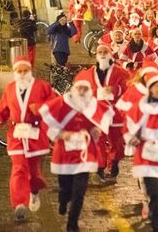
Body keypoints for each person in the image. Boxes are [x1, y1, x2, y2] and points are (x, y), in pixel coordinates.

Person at [39, 76, 114, 232]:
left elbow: (98, 122)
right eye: (79, 88)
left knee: (79, 192)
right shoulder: (61, 103)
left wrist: (95, 131)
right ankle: (63, 200)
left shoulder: (92, 106)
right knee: (65, 187)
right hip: (65, 153)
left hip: (84, 154)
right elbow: (46, 120)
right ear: (74, 89)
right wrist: (59, 134)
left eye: (85, 89)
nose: (82, 92)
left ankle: (72, 224)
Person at [0, 56, 57, 220]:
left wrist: (40, 108)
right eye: (18, 71)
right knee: (19, 169)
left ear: (30, 71)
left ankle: (34, 191)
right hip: (16, 135)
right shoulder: (10, 89)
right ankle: (19, 204)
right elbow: (2, 109)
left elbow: (55, 104)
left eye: (24, 70)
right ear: (14, 72)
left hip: (35, 134)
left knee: (34, 173)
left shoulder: (42, 87)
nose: (22, 74)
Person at [123, 72, 158, 232]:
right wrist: (132, 138)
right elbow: (128, 126)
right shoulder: (140, 107)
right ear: (150, 88)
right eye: (157, 85)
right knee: (154, 195)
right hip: (146, 158)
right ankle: (157, 227)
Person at [76, 44, 129, 182]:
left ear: (110, 54)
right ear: (96, 55)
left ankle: (113, 168)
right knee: (97, 141)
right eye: (100, 51)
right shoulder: (88, 74)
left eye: (105, 51)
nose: (103, 53)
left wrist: (115, 90)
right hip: (97, 113)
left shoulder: (120, 72)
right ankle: (99, 168)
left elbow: (127, 88)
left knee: (115, 141)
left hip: (115, 111)